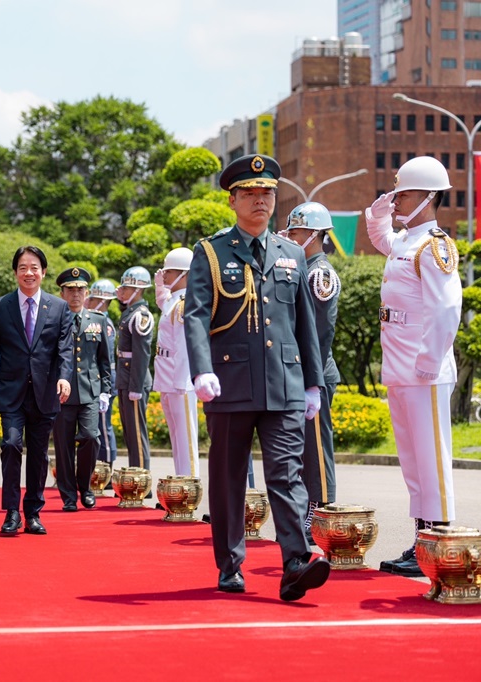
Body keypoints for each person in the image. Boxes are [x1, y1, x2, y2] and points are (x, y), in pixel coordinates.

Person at [183, 153, 330, 602]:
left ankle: (294, 562)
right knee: (229, 478)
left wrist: (313, 381)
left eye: (267, 193)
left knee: (287, 475)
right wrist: (201, 369)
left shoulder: (291, 254)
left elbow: (305, 322)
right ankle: (230, 563)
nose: (260, 201)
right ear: (232, 200)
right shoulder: (210, 252)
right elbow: (195, 316)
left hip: (284, 383)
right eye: (250, 193)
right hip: (230, 382)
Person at [364, 156, 462, 577]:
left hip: (425, 371)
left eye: (403, 194)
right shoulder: (405, 242)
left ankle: (439, 542)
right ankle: (421, 544)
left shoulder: (433, 245)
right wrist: (381, 211)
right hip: (400, 368)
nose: (397, 199)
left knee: (432, 459)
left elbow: (446, 310)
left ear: (427, 198)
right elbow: (379, 235)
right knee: (412, 462)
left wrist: (428, 361)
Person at [0, 246, 73, 536]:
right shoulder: (0, 306)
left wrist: (65, 377)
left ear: (43, 272)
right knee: (11, 444)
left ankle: (33, 513)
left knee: (40, 454)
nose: (28, 273)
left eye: (34, 267)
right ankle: (11, 512)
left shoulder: (58, 307)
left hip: (45, 393)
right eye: (22, 267)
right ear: (15, 272)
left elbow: (64, 348)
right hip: (11, 391)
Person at [281, 202, 341, 544]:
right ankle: (306, 510)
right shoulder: (302, 269)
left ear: (315, 235)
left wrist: (309, 379)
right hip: (299, 371)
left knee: (316, 447)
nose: (290, 237)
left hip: (312, 373)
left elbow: (318, 333)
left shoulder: (319, 274)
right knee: (301, 447)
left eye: (296, 232)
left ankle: (319, 510)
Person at [52, 267, 112, 511]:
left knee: (91, 437)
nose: (75, 294)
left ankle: (85, 487)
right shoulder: (54, 319)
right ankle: (68, 495)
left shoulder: (98, 320)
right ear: (62, 293)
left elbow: (105, 359)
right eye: (70, 290)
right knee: (63, 446)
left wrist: (106, 390)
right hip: (61, 393)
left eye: (80, 290)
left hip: (89, 391)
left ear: (87, 293)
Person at [153, 248, 200, 477]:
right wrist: (159, 288)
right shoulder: (173, 301)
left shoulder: (184, 303)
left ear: (184, 274)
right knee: (176, 436)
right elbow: (163, 302)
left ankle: (190, 486)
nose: (164, 275)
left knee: (186, 438)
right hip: (168, 378)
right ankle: (180, 485)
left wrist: (183, 382)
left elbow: (183, 346)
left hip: (180, 381)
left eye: (169, 271)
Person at [115, 267, 154, 470]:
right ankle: (134, 476)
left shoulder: (141, 316)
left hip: (133, 378)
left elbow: (141, 354)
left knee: (137, 432)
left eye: (126, 288)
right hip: (125, 376)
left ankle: (141, 479)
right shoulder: (130, 312)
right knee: (130, 431)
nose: (121, 291)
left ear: (138, 290)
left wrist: (136, 387)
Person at [85, 278, 118, 467]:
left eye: (92, 298)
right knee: (97, 424)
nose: (87, 301)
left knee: (104, 425)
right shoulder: (96, 320)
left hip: (103, 380)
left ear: (101, 301)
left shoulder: (104, 323)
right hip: (94, 379)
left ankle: (106, 464)